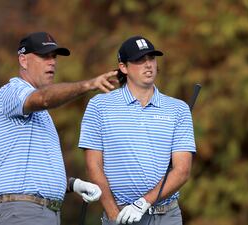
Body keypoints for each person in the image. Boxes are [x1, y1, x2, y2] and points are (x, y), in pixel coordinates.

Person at [0, 31, 118, 225]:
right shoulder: (11, 93)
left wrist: (73, 185)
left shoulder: (41, 115)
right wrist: (88, 84)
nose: (52, 62)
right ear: (23, 60)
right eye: (44, 56)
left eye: (54, 56)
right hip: (22, 212)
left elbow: (33, 172)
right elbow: (45, 98)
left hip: (42, 213)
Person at [79, 36, 196, 225]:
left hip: (167, 215)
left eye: (151, 59)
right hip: (120, 214)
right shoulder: (99, 106)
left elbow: (182, 170)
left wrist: (143, 202)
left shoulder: (178, 109)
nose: (148, 65)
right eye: (140, 60)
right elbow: (94, 166)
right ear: (123, 67)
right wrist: (112, 214)